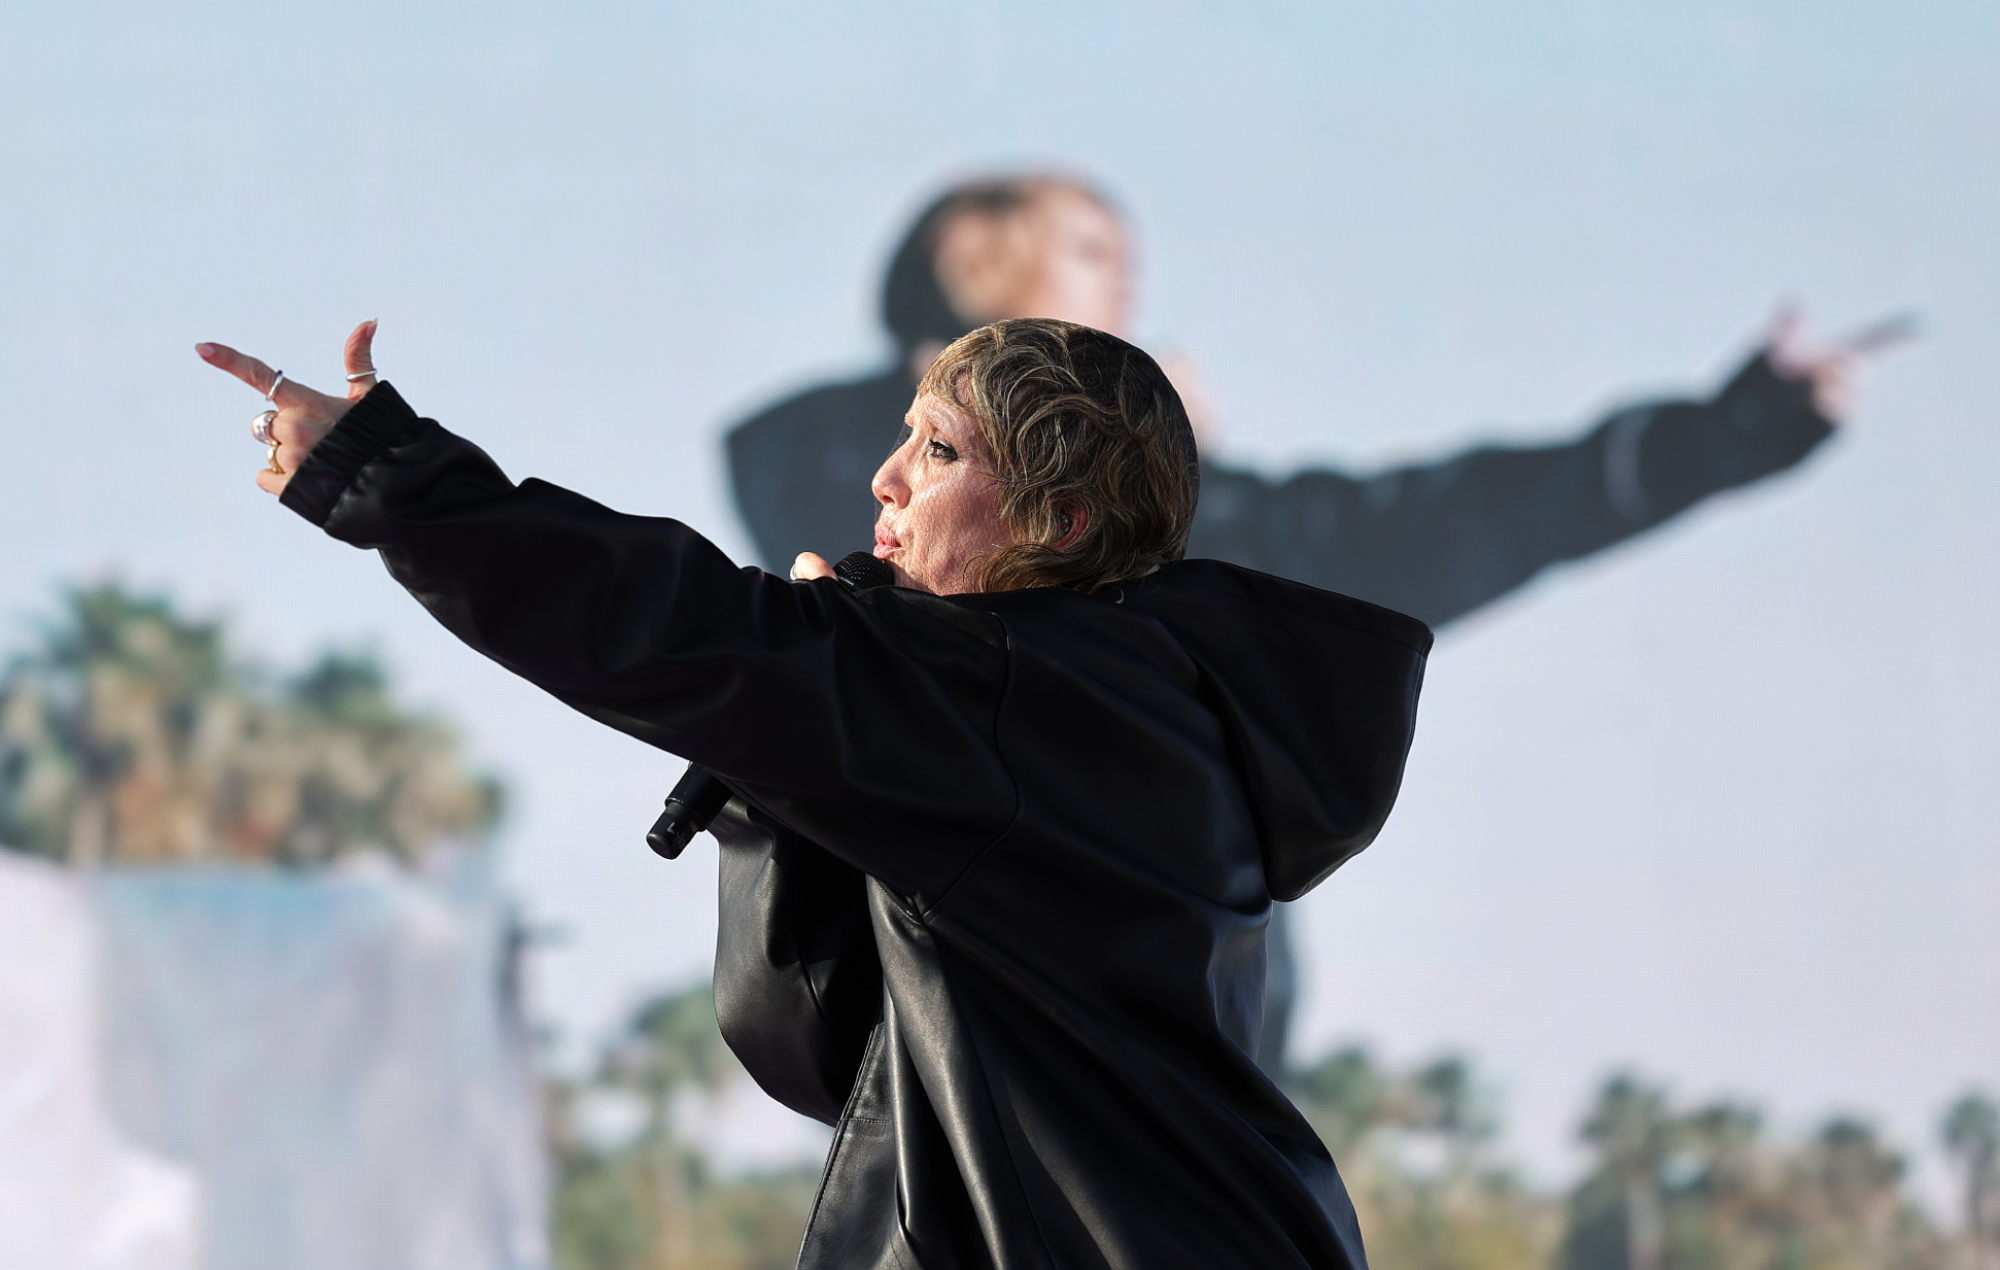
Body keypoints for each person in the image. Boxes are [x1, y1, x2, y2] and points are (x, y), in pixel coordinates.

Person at [200, 318, 1432, 1269]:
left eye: (941, 452)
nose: (886, 480)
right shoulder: (1093, 705)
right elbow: (811, 1040)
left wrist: (388, 479)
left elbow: (666, 626)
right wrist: (782, 768)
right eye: (904, 436)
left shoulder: (1017, 698)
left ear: (1059, 521)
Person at [726, 173, 1859, 1069]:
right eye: (1090, 249)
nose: (1126, 284)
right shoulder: (816, 451)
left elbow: (1431, 521)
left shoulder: (1183, 509)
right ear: (967, 258)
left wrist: (1719, 435)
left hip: (1175, 1025)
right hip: (956, 1004)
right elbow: (900, 600)